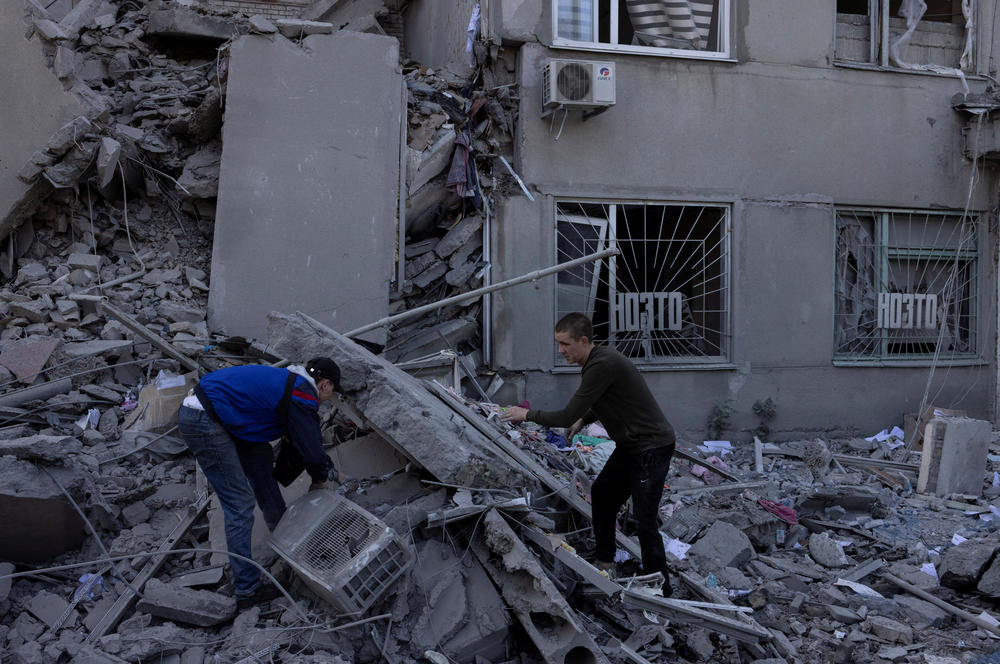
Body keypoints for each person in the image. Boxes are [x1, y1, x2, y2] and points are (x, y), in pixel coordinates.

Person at [502, 313, 676, 590]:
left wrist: (527, 414)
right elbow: (604, 398)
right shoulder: (599, 360)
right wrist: (584, 420)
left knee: (645, 521)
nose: (560, 351)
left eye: (565, 344)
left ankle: (661, 590)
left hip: (650, 448)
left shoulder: (601, 365)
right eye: (558, 344)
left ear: (584, 341)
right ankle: (605, 561)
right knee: (603, 494)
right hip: (632, 446)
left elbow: (565, 414)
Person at [177, 357, 346, 607]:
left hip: (222, 412)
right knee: (240, 505)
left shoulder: (289, 382)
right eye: (331, 394)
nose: (327, 400)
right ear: (326, 385)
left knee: (262, 464)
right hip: (205, 419)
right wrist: (326, 476)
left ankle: (284, 536)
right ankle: (247, 589)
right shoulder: (302, 395)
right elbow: (311, 450)